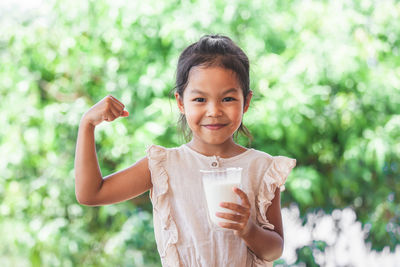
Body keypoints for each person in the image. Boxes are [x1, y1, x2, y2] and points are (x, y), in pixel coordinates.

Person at [74, 34, 296, 267]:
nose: (214, 111)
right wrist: (87, 124)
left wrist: (248, 229)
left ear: (246, 102)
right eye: (200, 99)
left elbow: (274, 250)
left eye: (228, 98)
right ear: (181, 103)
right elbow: (91, 193)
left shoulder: (261, 168)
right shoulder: (164, 166)